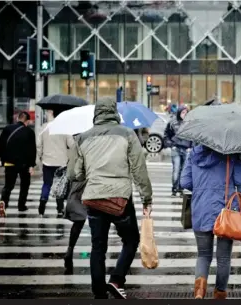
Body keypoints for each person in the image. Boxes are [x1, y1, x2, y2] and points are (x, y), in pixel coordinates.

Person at [73, 97, 153, 299]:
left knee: (97, 246)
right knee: (131, 239)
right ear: (114, 112)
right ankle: (117, 279)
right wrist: (146, 198)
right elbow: (138, 168)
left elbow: (75, 174)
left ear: (96, 113)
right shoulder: (127, 134)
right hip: (120, 200)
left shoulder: (82, 138)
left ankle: (99, 292)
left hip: (94, 199)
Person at [180, 145, 241, 299]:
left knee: (203, 255)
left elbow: (184, 182)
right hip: (225, 210)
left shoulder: (194, 154)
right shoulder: (232, 153)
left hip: (200, 208)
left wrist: (201, 187)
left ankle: (199, 292)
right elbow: (240, 181)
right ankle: (219, 294)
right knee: (223, 257)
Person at [0, 111, 36, 217]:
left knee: (8, 185)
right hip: (24, 164)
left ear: (17, 118)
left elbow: (1, 144)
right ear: (28, 121)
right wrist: (32, 165)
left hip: (9, 162)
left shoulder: (7, 129)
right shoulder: (30, 132)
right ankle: (21, 205)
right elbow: (32, 150)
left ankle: (4, 203)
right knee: (24, 185)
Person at [37, 115, 75, 217]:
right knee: (60, 185)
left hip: (47, 162)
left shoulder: (45, 127)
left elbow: (39, 144)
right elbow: (72, 145)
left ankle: (42, 205)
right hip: (61, 162)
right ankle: (60, 209)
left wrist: (40, 157)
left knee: (47, 184)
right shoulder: (65, 128)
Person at [63, 134, 87, 274]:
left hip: (77, 185)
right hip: (90, 183)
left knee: (79, 221)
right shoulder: (93, 142)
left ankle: (70, 250)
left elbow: (70, 171)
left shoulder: (74, 145)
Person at [164, 106, 192, 197]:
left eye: (186, 112)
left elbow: (193, 137)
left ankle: (180, 188)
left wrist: (191, 147)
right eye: (183, 112)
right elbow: (166, 135)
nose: (185, 114)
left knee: (183, 170)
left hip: (186, 149)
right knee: (176, 169)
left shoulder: (189, 123)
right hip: (176, 148)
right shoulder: (172, 123)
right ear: (179, 113)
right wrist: (171, 145)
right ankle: (174, 189)